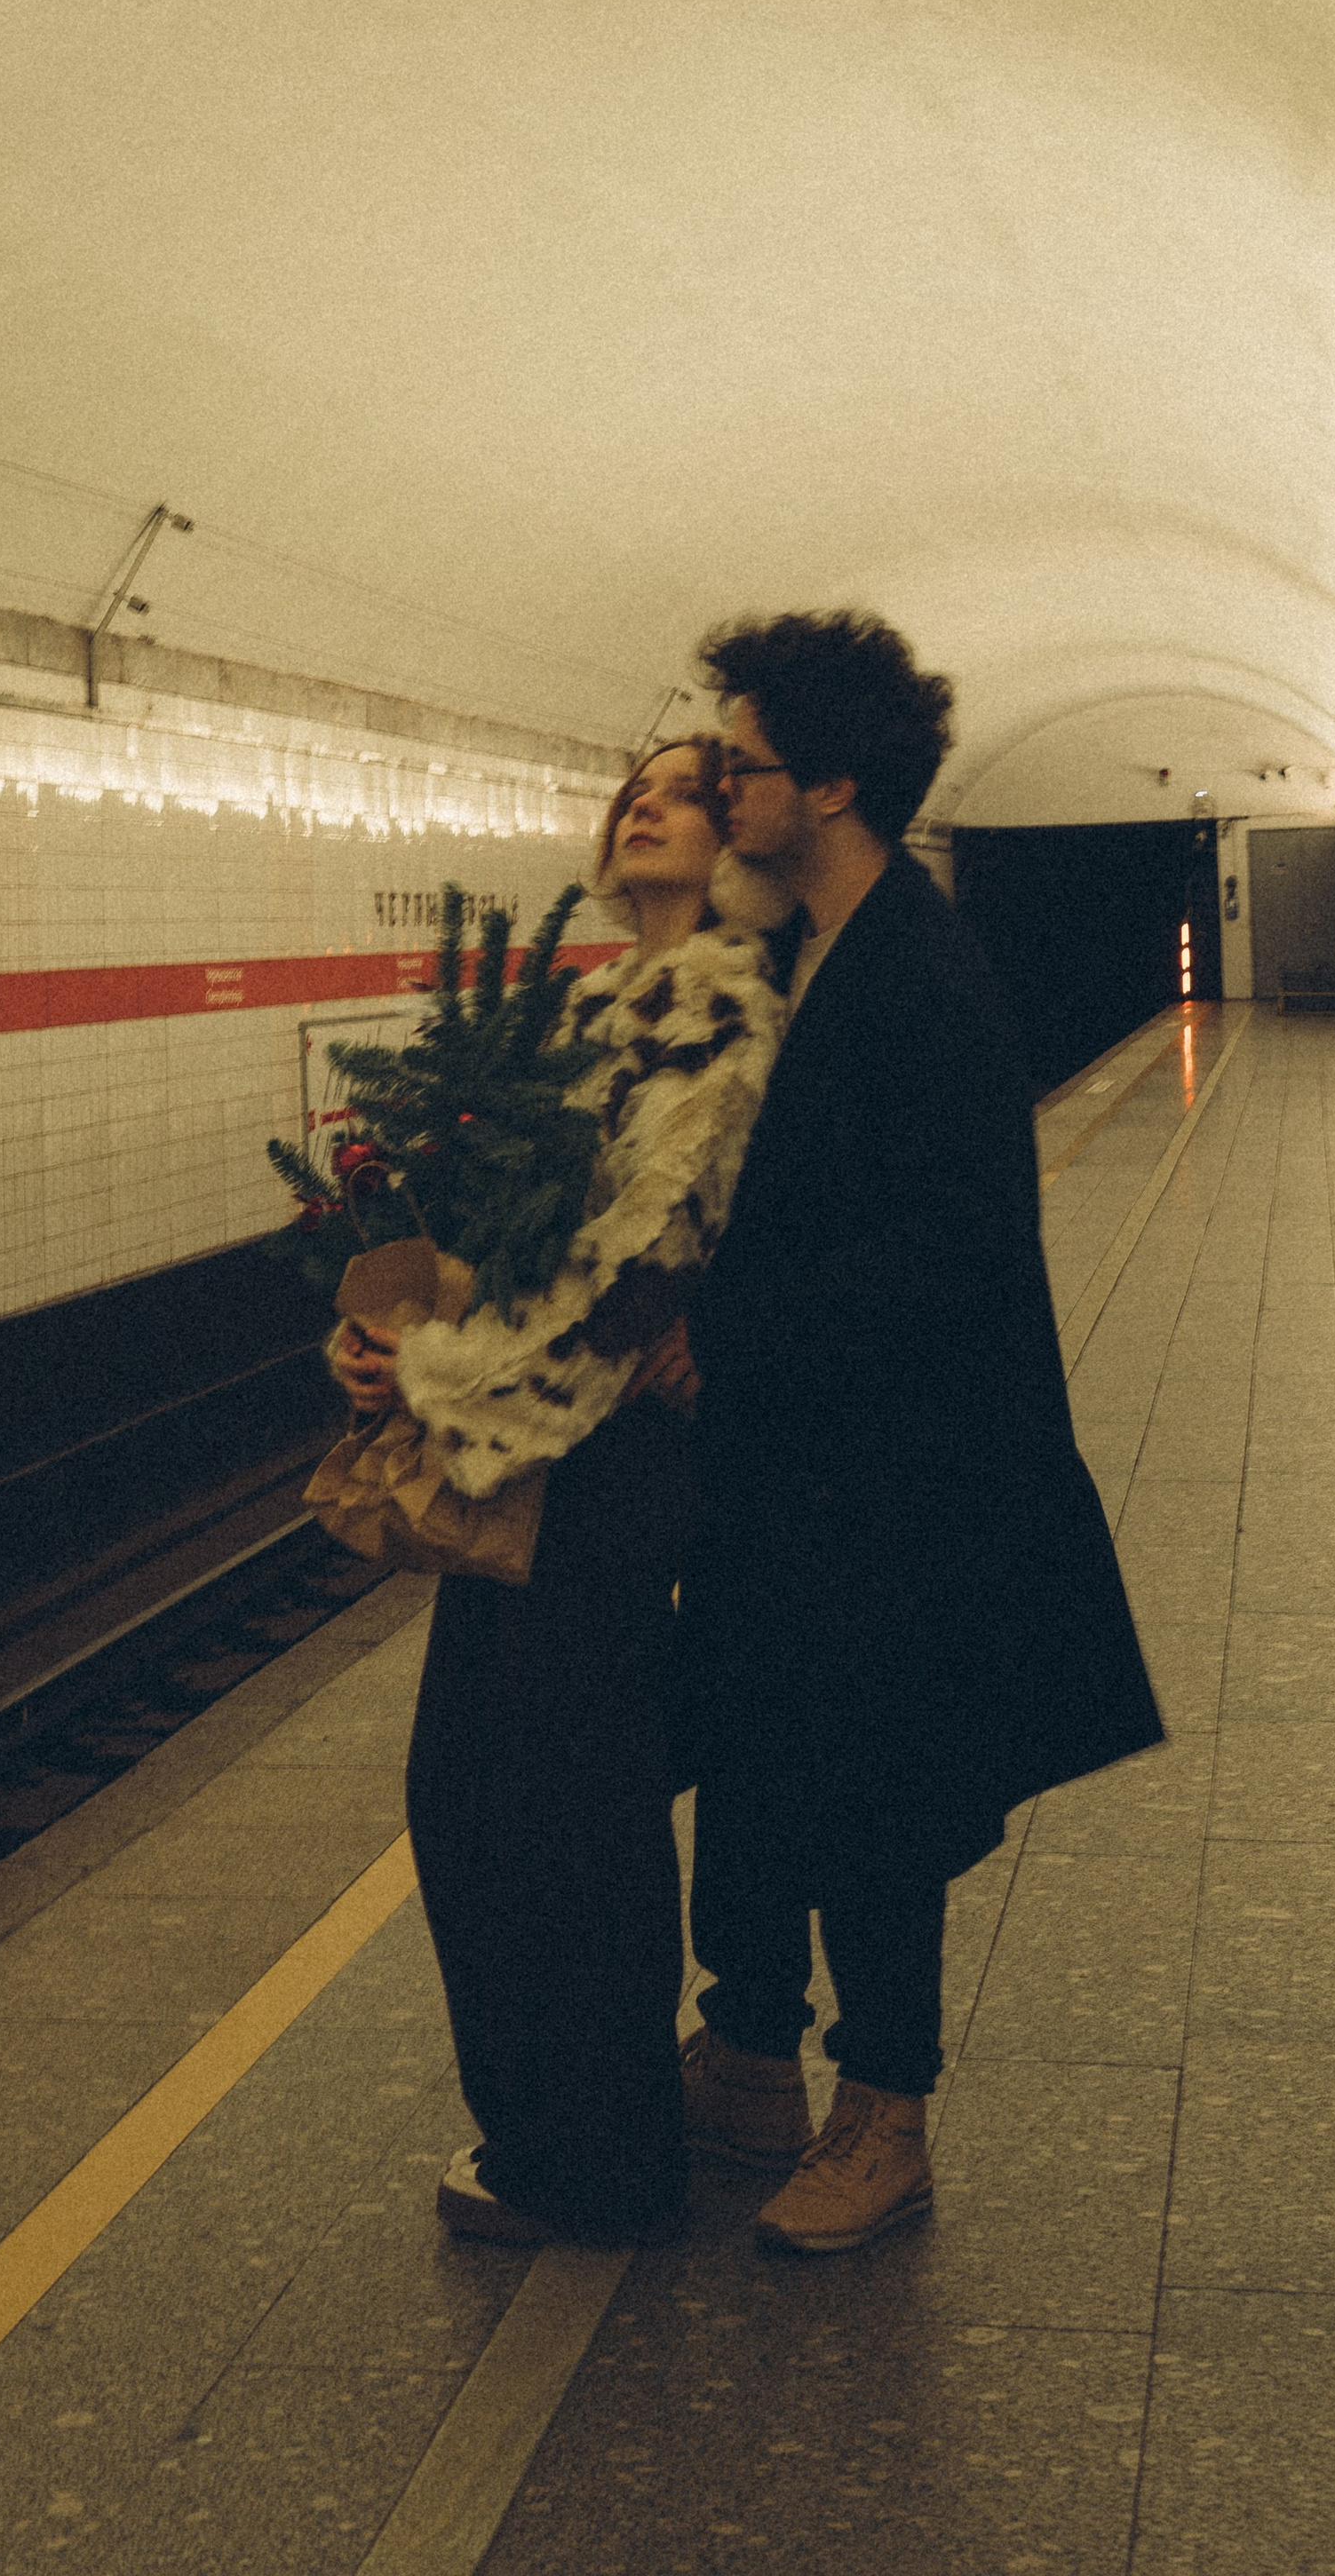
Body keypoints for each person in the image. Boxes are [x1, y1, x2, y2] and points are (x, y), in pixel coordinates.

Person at [675, 611, 1165, 2254]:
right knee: (781, 1765)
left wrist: (719, 1335)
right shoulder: (809, 949)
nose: (719, 786)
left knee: (880, 1799)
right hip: (804, 1467)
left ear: (832, 780)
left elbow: (944, 1258)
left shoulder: (924, 980)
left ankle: (888, 2117)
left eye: (741, 764)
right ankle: (756, 2062)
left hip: (899, 1480)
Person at [329, 740, 783, 2248]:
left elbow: (633, 1276)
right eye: (630, 787)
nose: (639, 802)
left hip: (606, 1472)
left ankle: (600, 2157)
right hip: (526, 1456)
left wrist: (432, 1378)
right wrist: (389, 1332)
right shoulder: (592, 1014)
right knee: (480, 1799)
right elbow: (498, 1238)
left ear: (738, 833)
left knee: (559, 1814)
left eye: (683, 789)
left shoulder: (719, 1014)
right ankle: (552, 2131)